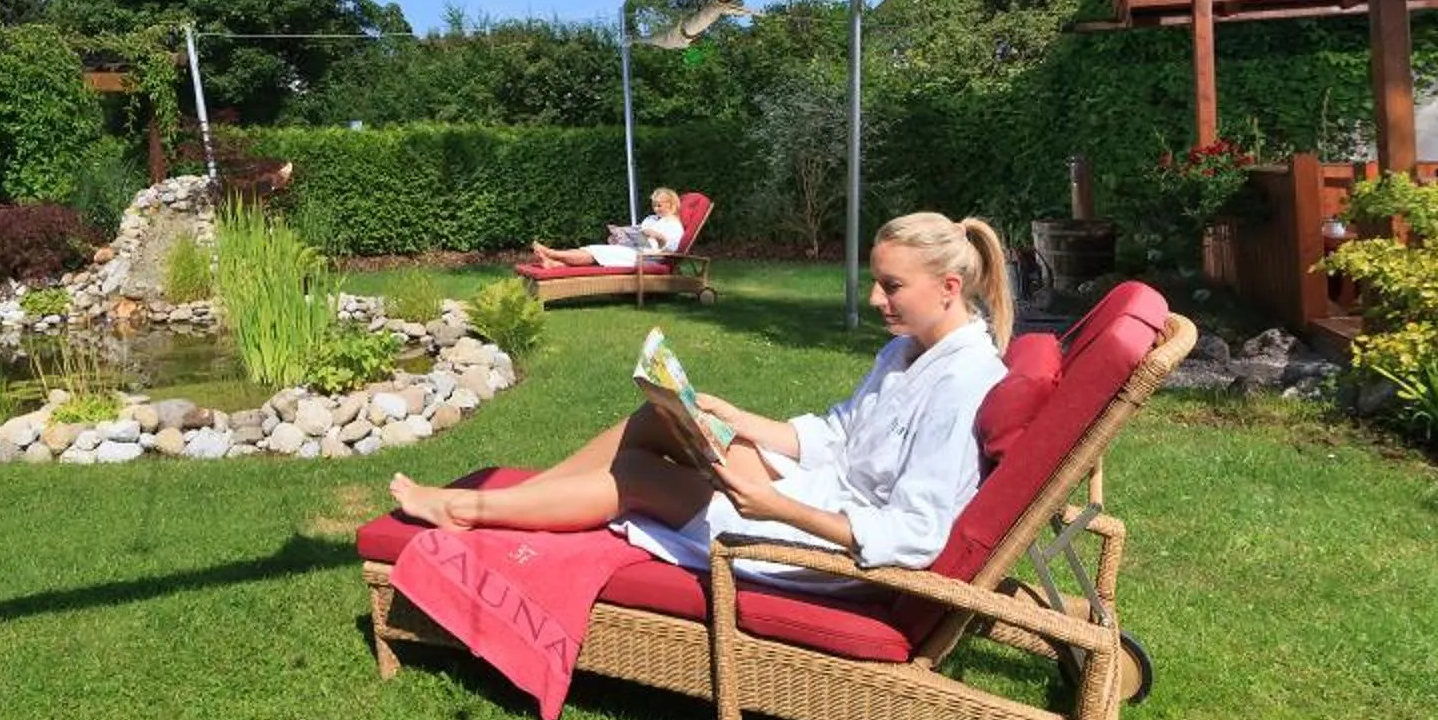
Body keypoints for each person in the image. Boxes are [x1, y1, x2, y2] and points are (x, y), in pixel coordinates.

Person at [392, 211, 1014, 582]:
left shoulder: (964, 382)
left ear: (949, 287)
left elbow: (916, 532)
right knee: (661, 418)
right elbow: (836, 436)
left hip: (824, 544)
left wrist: (774, 507)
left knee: (637, 477)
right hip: (813, 488)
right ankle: (525, 502)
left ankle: (468, 512)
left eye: (890, 286)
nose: (877, 300)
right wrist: (730, 415)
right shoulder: (907, 351)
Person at [528, 186, 686, 270]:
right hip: (633, 251)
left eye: (659, 205)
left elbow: (670, 250)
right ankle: (554, 263)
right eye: (653, 205)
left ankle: (552, 253)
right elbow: (637, 232)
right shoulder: (651, 219)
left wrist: (657, 236)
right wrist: (621, 235)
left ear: (671, 204)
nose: (655, 208)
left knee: (597, 251)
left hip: (647, 259)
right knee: (595, 249)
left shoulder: (674, 225)